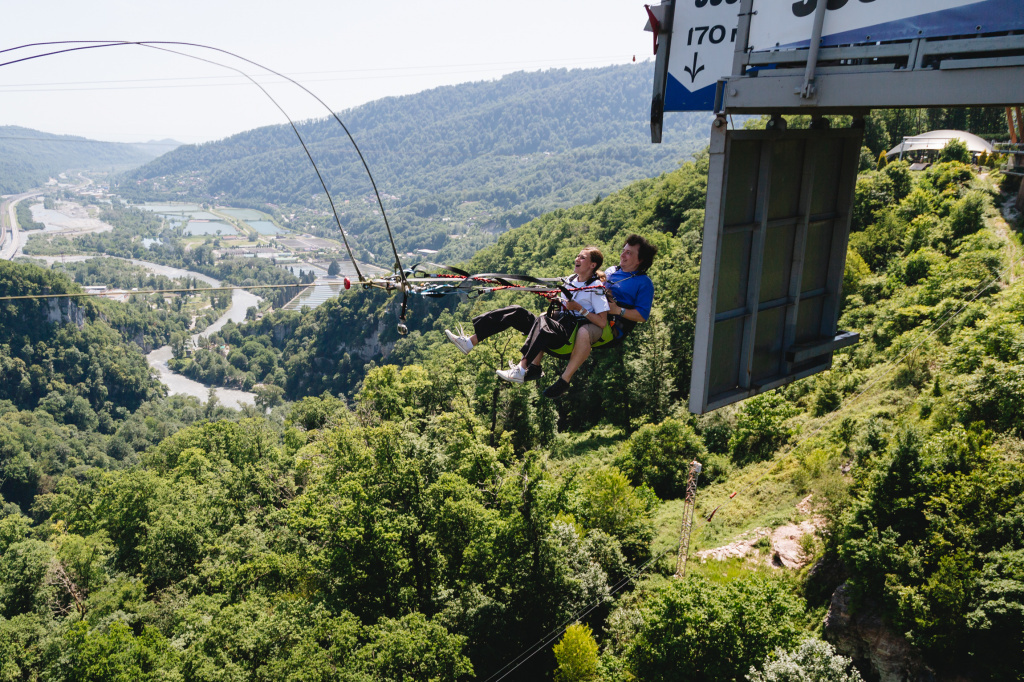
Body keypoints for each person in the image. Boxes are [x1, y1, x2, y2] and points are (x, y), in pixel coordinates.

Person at [444, 247, 609, 383]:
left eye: (582, 257)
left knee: (544, 319)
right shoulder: (571, 280)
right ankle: (470, 342)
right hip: (554, 327)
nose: (577, 259)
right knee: (516, 312)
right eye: (578, 256)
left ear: (593, 265)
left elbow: (602, 322)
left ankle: (522, 369)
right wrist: (557, 299)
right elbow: (565, 304)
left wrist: (579, 308)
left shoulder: (596, 288)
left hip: (568, 335)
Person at [542, 234, 657, 398]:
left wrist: (618, 310)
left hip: (614, 325)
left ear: (640, 260)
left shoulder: (644, 283)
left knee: (584, 332)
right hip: (593, 311)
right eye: (623, 251)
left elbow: (642, 316)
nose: (622, 255)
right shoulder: (611, 271)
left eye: (629, 253)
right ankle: (531, 365)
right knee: (545, 318)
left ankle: (564, 380)